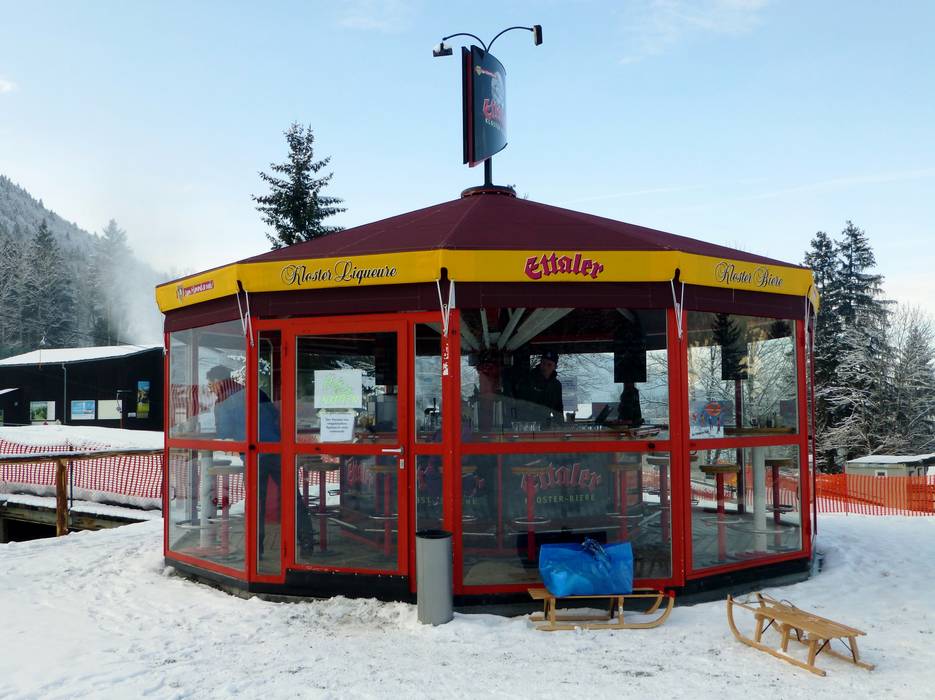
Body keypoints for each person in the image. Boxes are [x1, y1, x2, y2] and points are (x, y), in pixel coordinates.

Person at [206, 364, 315, 555]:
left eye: (210, 384)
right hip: (278, 451)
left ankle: (257, 549)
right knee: (293, 499)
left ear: (218, 382)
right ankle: (306, 542)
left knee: (257, 503)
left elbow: (224, 432)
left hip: (254, 455)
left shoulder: (223, 402)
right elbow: (274, 414)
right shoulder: (255, 391)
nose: (210, 389)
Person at [513, 350, 564, 426]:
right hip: (527, 425)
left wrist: (561, 426)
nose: (545, 367)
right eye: (543, 363)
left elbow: (558, 409)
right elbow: (520, 405)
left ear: (555, 367)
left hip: (546, 425)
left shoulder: (556, 385)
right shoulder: (528, 380)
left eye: (549, 365)